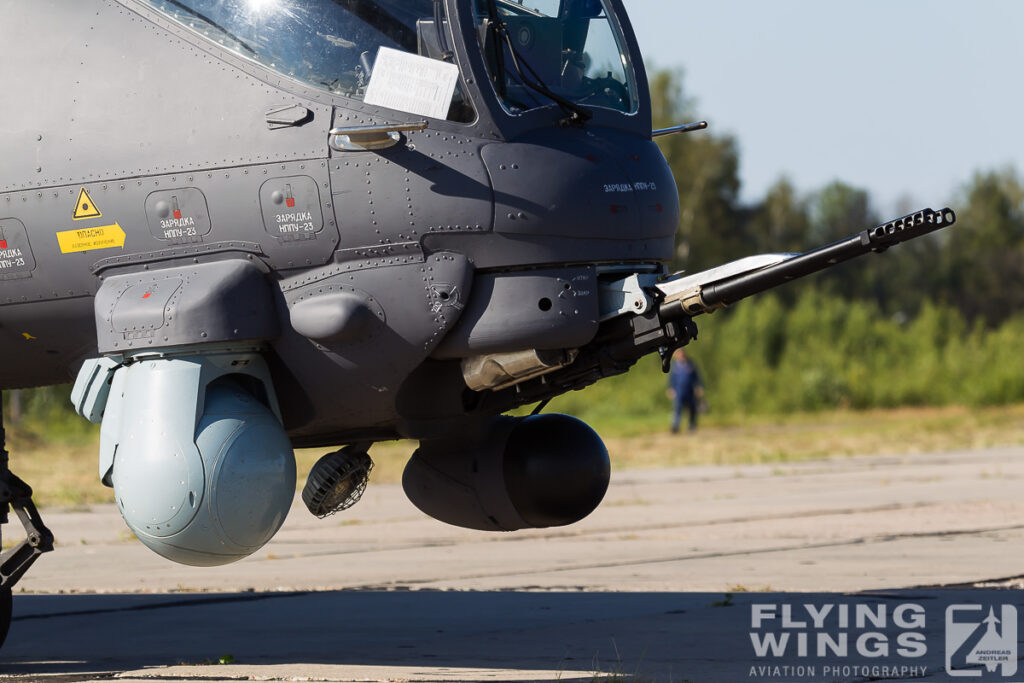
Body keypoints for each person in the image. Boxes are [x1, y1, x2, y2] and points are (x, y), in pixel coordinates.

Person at [666, 348, 704, 433]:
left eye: (681, 353)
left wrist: (699, 386)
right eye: (678, 354)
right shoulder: (674, 366)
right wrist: (670, 388)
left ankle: (692, 426)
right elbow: (670, 379)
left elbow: (697, 376)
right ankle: (675, 427)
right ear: (675, 356)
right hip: (678, 391)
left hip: (690, 391)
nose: (681, 355)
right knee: (677, 409)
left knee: (692, 409)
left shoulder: (691, 364)